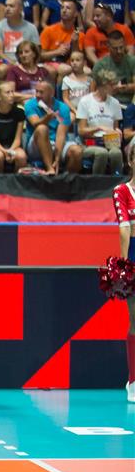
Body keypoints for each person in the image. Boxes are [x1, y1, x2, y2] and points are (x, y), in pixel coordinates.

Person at [113, 149, 135, 402]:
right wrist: (124, 264)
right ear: (130, 160)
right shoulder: (122, 191)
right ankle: (133, 380)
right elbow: (124, 227)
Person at [76, 70, 127, 174]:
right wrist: (99, 128)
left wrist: (117, 132)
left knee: (116, 153)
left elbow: (115, 128)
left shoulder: (115, 103)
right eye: (111, 85)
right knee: (102, 153)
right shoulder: (85, 101)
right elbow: (81, 131)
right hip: (90, 142)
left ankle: (117, 180)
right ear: (102, 86)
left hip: (109, 141)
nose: (115, 87)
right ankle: (97, 182)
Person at [0, 81, 27, 173]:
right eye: (8, 92)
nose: (11, 95)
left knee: (22, 156)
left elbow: (18, 139)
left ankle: (17, 181)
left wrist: (10, 151)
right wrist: (4, 151)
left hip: (13, 146)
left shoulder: (19, 112)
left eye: (12, 92)